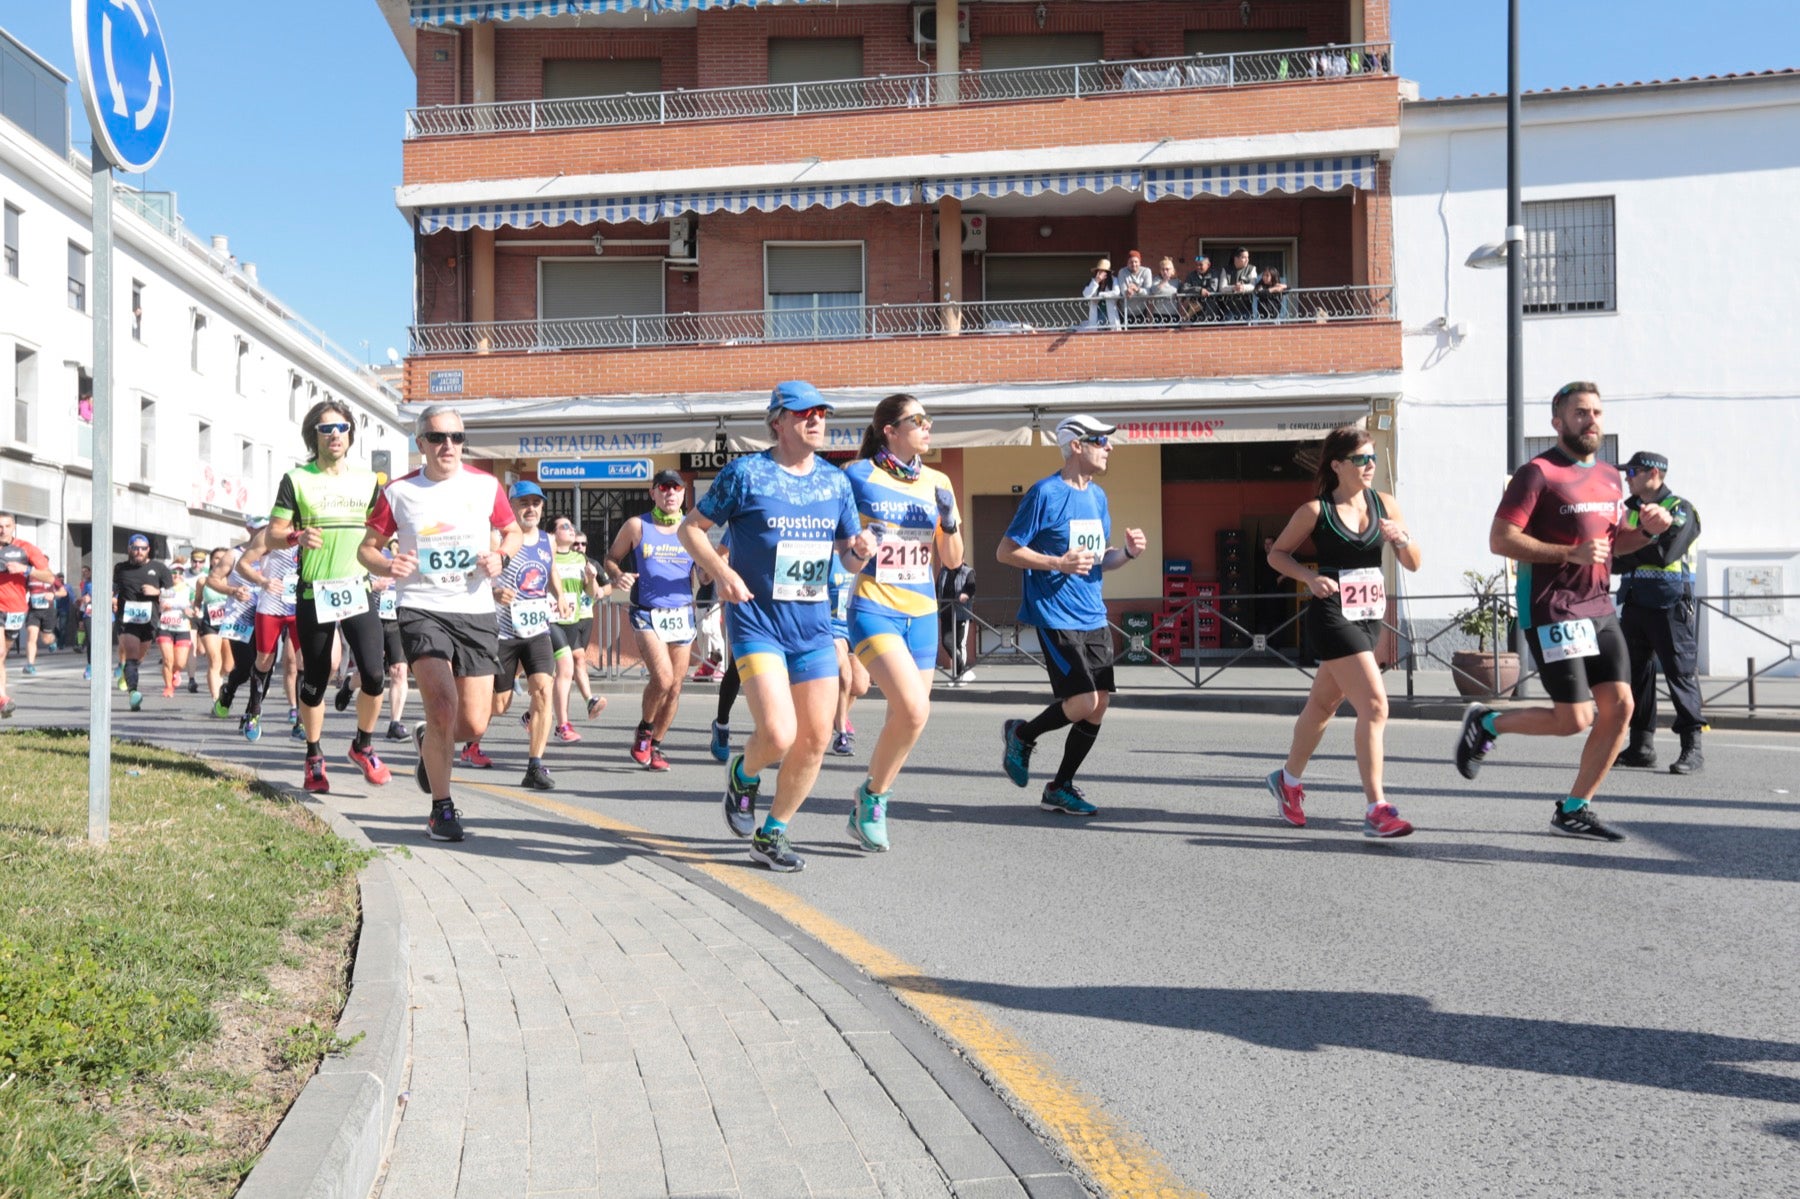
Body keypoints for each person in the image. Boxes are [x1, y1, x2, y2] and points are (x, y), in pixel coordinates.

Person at [1454, 382, 1672, 841]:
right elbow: (1501, 540)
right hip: (1553, 608)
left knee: (1620, 708)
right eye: (1579, 413)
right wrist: (1567, 554)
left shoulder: (1613, 477)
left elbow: (1616, 544)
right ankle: (1488, 722)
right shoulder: (1537, 473)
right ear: (1558, 422)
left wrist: (1649, 531)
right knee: (1573, 719)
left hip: (1598, 605)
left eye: (1596, 412)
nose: (1590, 420)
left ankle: (1575, 808)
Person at [677, 381, 875, 872]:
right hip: (757, 622)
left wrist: (859, 552)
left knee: (815, 739)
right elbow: (689, 529)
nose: (816, 420)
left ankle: (773, 832)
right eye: (804, 412)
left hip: (813, 628)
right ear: (778, 422)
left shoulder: (836, 482)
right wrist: (722, 575)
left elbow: (848, 560)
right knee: (780, 733)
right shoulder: (745, 474)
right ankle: (744, 776)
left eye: (822, 412)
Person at [361, 404, 521, 842]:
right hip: (421, 608)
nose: (447, 445)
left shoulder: (486, 485)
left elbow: (513, 532)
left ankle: (428, 740)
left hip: (474, 611)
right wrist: (389, 562)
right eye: (437, 437)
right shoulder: (398, 492)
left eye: (456, 437)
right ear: (421, 444)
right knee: (444, 707)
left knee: (472, 724)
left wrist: (500, 556)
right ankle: (441, 809)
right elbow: (367, 548)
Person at [1264, 427, 1421, 838]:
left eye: (1371, 458)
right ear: (1337, 465)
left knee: (1321, 707)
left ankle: (1288, 781)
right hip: (1332, 614)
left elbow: (1415, 563)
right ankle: (1377, 808)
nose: (1369, 466)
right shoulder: (1315, 511)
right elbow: (1277, 555)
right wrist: (1308, 578)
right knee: (1374, 705)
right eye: (1361, 459)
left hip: (1369, 615)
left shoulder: (1385, 504)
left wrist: (1403, 539)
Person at [997, 415, 1147, 815]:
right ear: (1076, 446)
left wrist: (1129, 554)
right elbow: (1005, 551)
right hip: (1054, 613)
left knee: (1099, 705)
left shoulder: (1098, 497)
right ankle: (1022, 734)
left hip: (1092, 613)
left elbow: (1102, 560)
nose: (1109, 447)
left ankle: (1059, 787)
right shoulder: (1044, 493)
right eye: (1101, 440)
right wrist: (1056, 563)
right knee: (1082, 701)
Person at [841, 394, 964, 850]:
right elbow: (845, 560)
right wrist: (858, 550)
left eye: (929, 418)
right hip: (874, 607)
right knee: (915, 710)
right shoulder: (857, 476)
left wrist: (948, 523)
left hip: (924, 615)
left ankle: (867, 799)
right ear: (890, 431)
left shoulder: (938, 480)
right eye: (917, 420)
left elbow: (952, 560)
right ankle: (874, 799)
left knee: (906, 717)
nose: (927, 426)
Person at [267, 400, 393, 794]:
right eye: (326, 429)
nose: (334, 434)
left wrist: (388, 562)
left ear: (350, 433)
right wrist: (296, 536)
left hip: (358, 588)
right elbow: (272, 535)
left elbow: (383, 532)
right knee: (316, 679)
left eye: (341, 427)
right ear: (314, 436)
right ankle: (314, 755)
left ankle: (363, 745)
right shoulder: (296, 478)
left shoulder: (370, 481)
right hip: (314, 591)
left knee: (374, 674)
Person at [1611, 450, 1706, 774]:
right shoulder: (1630, 511)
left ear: (1654, 473)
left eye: (1632, 471)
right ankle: (1641, 746)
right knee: (1636, 674)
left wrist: (1629, 554)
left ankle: (1692, 748)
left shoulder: (1680, 508)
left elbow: (1666, 551)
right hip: (1635, 602)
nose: (1627, 477)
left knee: (1680, 674)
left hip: (1670, 603)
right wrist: (1629, 554)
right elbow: (1612, 556)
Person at [606, 469, 699, 772]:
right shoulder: (637, 526)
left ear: (684, 494)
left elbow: (705, 573)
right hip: (647, 612)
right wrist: (617, 575)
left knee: (675, 688)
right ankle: (645, 729)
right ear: (653, 493)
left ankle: (655, 744)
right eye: (664, 488)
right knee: (663, 678)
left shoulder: (692, 528)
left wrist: (717, 570)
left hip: (682, 614)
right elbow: (611, 558)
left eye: (676, 488)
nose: (670, 493)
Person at [481, 481, 560, 791]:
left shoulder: (547, 540)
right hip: (502, 631)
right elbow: (473, 578)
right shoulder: (494, 538)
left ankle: (534, 766)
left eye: (536, 503)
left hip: (537, 628)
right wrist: (494, 591)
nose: (531, 508)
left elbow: (549, 570)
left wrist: (560, 593)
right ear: (511, 506)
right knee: (498, 705)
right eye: (524, 503)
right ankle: (447, 730)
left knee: (543, 691)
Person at [234, 526, 301, 740]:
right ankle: (254, 711)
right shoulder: (270, 533)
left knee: (300, 662)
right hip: (271, 606)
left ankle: (301, 719)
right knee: (264, 660)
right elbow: (243, 564)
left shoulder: (313, 529)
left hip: (300, 607)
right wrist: (262, 581)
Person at [549, 517, 608, 738]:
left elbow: (591, 593)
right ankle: (563, 726)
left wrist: (592, 580)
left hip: (571, 621)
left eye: (572, 526)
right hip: (549, 620)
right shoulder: (547, 557)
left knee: (555, 674)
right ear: (553, 534)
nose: (571, 530)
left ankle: (534, 714)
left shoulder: (581, 559)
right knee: (565, 669)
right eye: (564, 527)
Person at [205, 518, 267, 724]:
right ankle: (228, 692)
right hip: (239, 618)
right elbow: (212, 579)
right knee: (245, 667)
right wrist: (232, 591)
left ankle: (251, 714)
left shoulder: (276, 554)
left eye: (268, 527)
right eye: (260, 528)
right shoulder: (234, 554)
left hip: (266, 617)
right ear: (249, 528)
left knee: (264, 668)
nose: (264, 531)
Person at [0, 513, 54, 716]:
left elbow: (48, 576)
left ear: (13, 527)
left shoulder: (26, 548)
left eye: (6, 525)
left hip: (15, 609)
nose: (2, 530)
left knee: (2, 655)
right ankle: (3, 698)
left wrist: (25, 569)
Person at [111, 533, 172, 712]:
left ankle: (127, 673)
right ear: (129, 549)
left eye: (143, 548)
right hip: (127, 619)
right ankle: (133, 694)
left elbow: (173, 594)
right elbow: (113, 588)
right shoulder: (120, 568)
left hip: (149, 621)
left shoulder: (159, 569)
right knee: (131, 654)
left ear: (148, 550)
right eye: (135, 548)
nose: (139, 551)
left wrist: (157, 592)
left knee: (137, 658)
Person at [827, 552, 869, 755]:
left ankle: (836, 717)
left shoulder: (861, 558)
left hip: (855, 625)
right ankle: (841, 735)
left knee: (860, 685)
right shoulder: (827, 556)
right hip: (831, 627)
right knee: (844, 676)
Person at [153, 560, 198, 698]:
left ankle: (175, 671)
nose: (177, 575)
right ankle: (168, 687)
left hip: (182, 628)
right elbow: (163, 605)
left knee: (180, 662)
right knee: (167, 660)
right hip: (165, 627)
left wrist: (193, 610)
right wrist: (181, 606)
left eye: (180, 572)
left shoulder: (189, 589)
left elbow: (193, 605)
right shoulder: (164, 588)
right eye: (173, 572)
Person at [197, 549, 234, 703]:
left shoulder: (233, 580)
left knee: (228, 665)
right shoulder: (203, 581)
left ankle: (218, 678)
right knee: (214, 660)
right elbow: (197, 600)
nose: (219, 561)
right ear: (211, 561)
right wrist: (195, 608)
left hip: (229, 624)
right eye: (216, 558)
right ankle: (216, 699)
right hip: (209, 624)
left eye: (222, 558)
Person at [940, 562, 977, 685]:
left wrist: (966, 594)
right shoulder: (943, 571)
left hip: (961, 613)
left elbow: (971, 588)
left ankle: (958, 676)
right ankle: (963, 672)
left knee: (960, 645)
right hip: (945, 613)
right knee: (947, 643)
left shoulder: (967, 571)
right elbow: (937, 588)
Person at [22, 569, 65, 673]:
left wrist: (53, 595)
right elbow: (23, 590)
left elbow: (63, 592)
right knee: (32, 635)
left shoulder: (51, 576)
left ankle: (52, 641)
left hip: (48, 610)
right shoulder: (29, 577)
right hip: (34, 611)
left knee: (46, 639)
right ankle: (30, 665)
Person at [1079, 259, 1120, 331]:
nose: (1101, 274)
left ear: (1108, 273)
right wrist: (1096, 281)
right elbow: (1086, 295)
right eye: (1100, 271)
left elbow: (1117, 292)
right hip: (1096, 315)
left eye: (1104, 271)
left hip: (1110, 315)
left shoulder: (1114, 280)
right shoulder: (1093, 281)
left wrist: (1100, 295)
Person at [1118, 249, 1154, 325]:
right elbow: (1123, 292)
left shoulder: (1146, 271)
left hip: (1142, 310)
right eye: (1131, 262)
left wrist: (1137, 289)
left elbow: (1148, 292)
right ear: (1127, 263)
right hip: (1125, 311)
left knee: (1141, 335)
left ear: (1140, 262)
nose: (1133, 264)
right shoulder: (1122, 272)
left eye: (1136, 262)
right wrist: (1127, 292)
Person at [1178, 254, 1217, 323]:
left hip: (1209, 311)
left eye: (1201, 265)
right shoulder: (1191, 275)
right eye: (1196, 265)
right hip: (1194, 313)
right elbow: (1184, 289)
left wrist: (1199, 290)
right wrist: (1199, 290)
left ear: (1208, 265)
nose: (1198, 267)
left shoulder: (1213, 274)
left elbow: (1212, 289)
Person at [1148, 256, 1182, 323]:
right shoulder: (1156, 280)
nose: (1165, 271)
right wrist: (1164, 281)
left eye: (1167, 269)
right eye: (1162, 269)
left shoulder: (1177, 281)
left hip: (1173, 314)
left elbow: (1182, 294)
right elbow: (1154, 291)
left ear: (1172, 270)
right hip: (1159, 314)